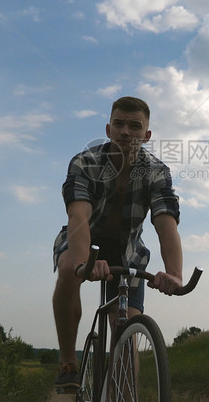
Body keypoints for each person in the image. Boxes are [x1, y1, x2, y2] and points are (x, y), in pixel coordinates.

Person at [51, 96, 184, 388]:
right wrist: (84, 261)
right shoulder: (85, 162)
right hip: (83, 240)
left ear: (146, 136)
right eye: (120, 124)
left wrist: (174, 273)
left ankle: (122, 391)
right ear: (109, 129)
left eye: (135, 126)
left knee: (126, 333)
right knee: (68, 267)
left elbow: (166, 224)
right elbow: (78, 217)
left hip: (128, 253)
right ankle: (67, 364)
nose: (126, 131)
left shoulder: (157, 172)